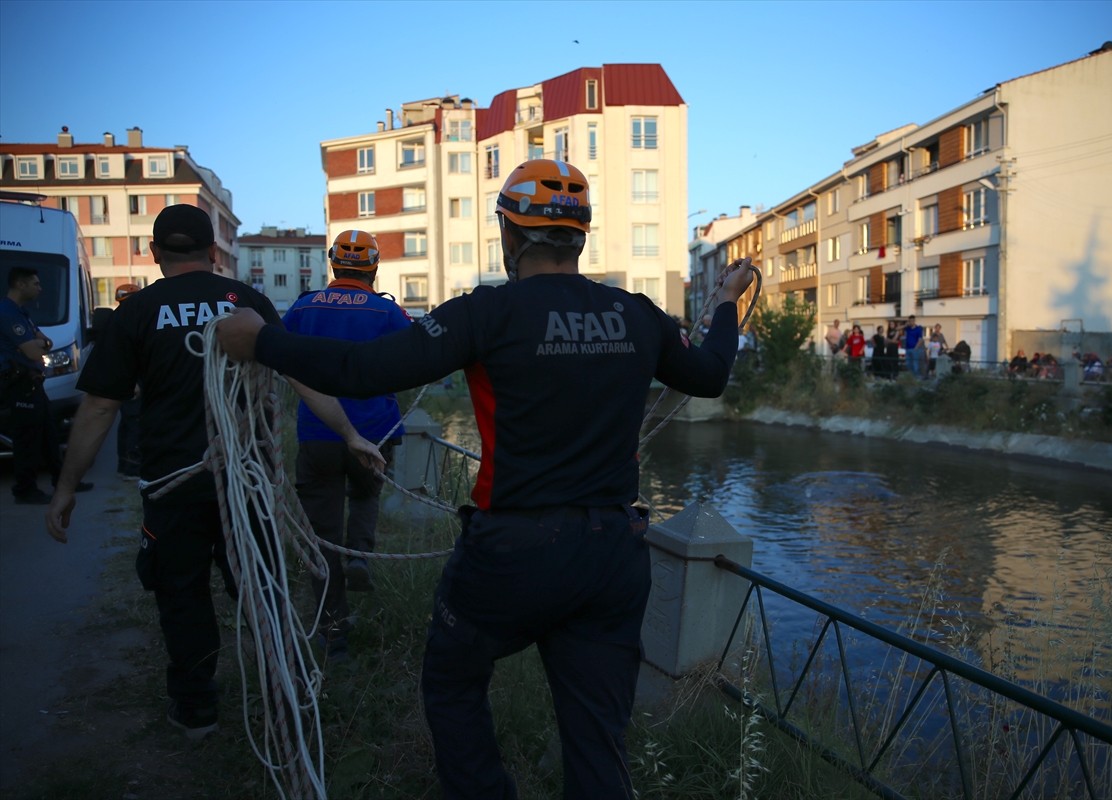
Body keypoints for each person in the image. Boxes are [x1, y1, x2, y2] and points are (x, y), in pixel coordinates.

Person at [215, 159, 756, 799]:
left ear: (510, 234)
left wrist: (263, 342)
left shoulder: (485, 314)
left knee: (451, 680)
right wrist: (724, 303)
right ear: (580, 236)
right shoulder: (636, 315)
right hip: (613, 552)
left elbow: (361, 371)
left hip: (512, 549)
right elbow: (713, 374)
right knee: (597, 735)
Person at [44, 204, 381, 741]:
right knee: (262, 590)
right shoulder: (246, 303)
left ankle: (197, 711)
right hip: (244, 481)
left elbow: (101, 407)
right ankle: (285, 697)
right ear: (213, 252)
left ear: (155, 253)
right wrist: (351, 433)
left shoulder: (138, 310)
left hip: (172, 487)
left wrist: (65, 487)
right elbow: (302, 375)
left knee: (182, 596)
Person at [283, 229, 413, 658]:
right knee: (366, 491)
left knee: (323, 536)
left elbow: (278, 353)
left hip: (318, 433)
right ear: (373, 268)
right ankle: (360, 554)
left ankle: (333, 633)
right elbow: (415, 357)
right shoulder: (386, 312)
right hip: (374, 430)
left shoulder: (303, 306)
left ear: (332, 265)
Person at [0, 267, 92, 503]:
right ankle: (25, 489)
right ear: (21, 284)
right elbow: (33, 350)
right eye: (36, 284)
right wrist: (39, 344)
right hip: (19, 384)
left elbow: (46, 342)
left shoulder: (21, 312)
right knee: (27, 438)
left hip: (32, 383)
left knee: (49, 434)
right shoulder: (7, 313)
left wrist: (41, 344)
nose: (40, 289)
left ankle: (61, 481)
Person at [113, 283, 143, 479]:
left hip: (126, 378)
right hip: (131, 380)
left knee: (127, 422)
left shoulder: (119, 318)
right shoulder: (128, 320)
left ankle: (124, 465)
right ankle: (132, 467)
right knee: (133, 422)